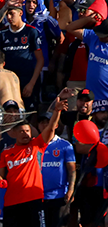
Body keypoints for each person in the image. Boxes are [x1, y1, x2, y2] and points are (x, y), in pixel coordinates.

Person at [0, 96, 67, 227]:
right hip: (11, 202)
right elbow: (1, 174)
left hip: (33, 200)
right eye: (21, 131)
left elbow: (51, 128)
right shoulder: (6, 153)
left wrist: (57, 112)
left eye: (27, 131)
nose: (25, 134)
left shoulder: (37, 145)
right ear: (14, 133)